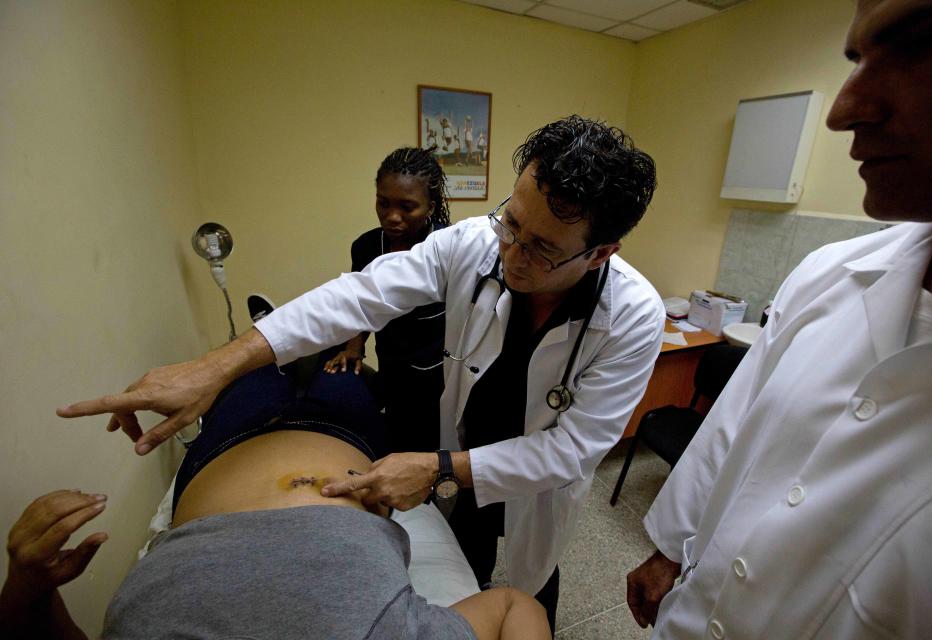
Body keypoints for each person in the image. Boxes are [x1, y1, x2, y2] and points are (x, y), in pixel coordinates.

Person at [57, 115, 664, 633]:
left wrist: (436, 466)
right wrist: (216, 368)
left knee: (535, 581)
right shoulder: (473, 243)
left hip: (537, 473)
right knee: (470, 552)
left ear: (600, 253)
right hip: (464, 442)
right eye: (512, 221)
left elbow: (575, 449)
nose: (510, 251)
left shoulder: (633, 316)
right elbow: (361, 296)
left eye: (541, 248)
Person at [627, 1, 932, 638]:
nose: (842, 110)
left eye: (919, 42)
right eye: (859, 60)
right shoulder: (830, 273)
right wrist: (670, 548)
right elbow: (734, 424)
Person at [3, 362, 550, 639]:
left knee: (255, 374)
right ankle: (329, 356)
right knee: (347, 377)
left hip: (226, 445)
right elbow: (512, 605)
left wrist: (26, 585)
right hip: (348, 441)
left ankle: (280, 352)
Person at [323, 147, 450, 454]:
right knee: (395, 443)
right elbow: (361, 302)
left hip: (442, 379)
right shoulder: (366, 247)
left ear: (430, 206)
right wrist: (354, 347)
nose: (392, 217)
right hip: (392, 369)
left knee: (436, 452)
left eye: (407, 207)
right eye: (383, 203)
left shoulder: (449, 247)